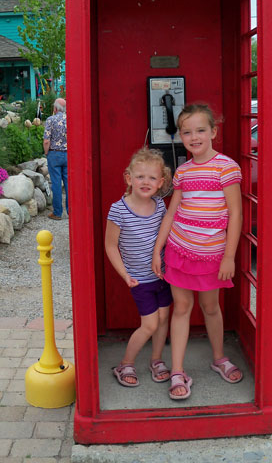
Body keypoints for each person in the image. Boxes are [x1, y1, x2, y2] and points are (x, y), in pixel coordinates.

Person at [152, 103, 243, 400]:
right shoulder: (183, 170)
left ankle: (219, 358)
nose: (194, 137)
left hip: (212, 254)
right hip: (180, 250)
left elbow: (236, 213)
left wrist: (229, 256)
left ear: (213, 132)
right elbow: (170, 214)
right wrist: (158, 250)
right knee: (181, 308)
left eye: (200, 130)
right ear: (180, 135)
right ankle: (177, 370)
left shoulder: (226, 167)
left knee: (211, 307)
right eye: (187, 132)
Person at [105, 148, 173, 387]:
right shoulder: (119, 210)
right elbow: (111, 246)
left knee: (164, 318)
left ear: (161, 182)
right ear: (129, 178)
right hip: (139, 279)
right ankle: (126, 363)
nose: (146, 182)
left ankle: (156, 360)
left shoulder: (160, 206)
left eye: (152, 178)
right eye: (140, 176)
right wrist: (125, 275)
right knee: (150, 324)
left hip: (162, 276)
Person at [43, 98, 68, 220]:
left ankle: (57, 213)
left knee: (57, 184)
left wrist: (46, 153)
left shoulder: (50, 120)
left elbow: (47, 140)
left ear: (55, 108)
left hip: (54, 154)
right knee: (69, 184)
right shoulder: (70, 120)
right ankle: (71, 211)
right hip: (68, 155)